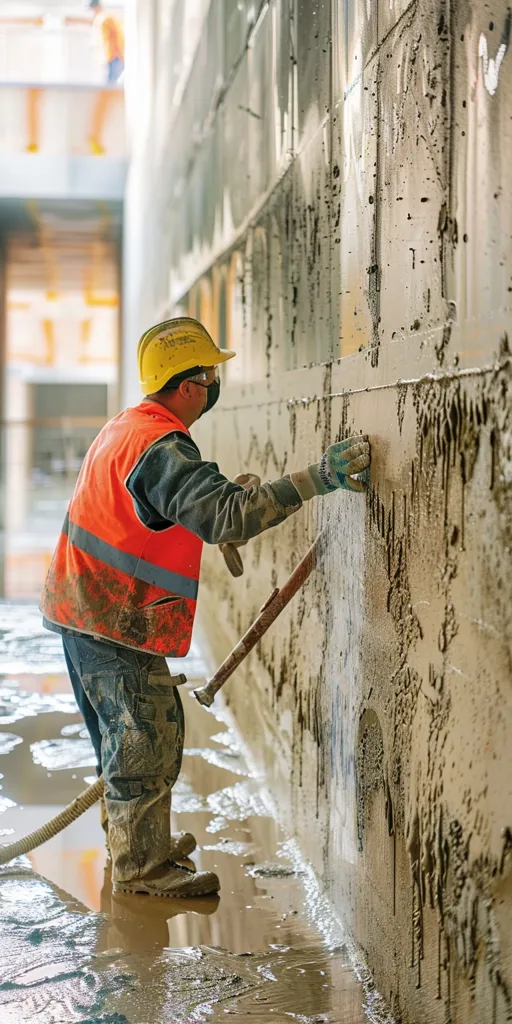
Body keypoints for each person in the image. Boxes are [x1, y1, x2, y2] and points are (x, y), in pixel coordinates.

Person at [40, 317, 371, 899]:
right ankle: (141, 869)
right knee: (143, 741)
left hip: (85, 609)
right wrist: (318, 478)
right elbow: (226, 516)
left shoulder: (131, 426)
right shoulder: (160, 446)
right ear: (188, 385)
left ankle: (137, 843)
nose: (214, 386)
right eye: (209, 375)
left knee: (131, 738)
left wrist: (225, 499)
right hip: (113, 620)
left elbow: (181, 509)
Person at [89, 0, 124, 84]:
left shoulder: (105, 19)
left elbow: (117, 37)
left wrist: (118, 53)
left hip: (114, 56)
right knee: (111, 81)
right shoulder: (101, 19)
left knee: (112, 82)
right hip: (111, 56)